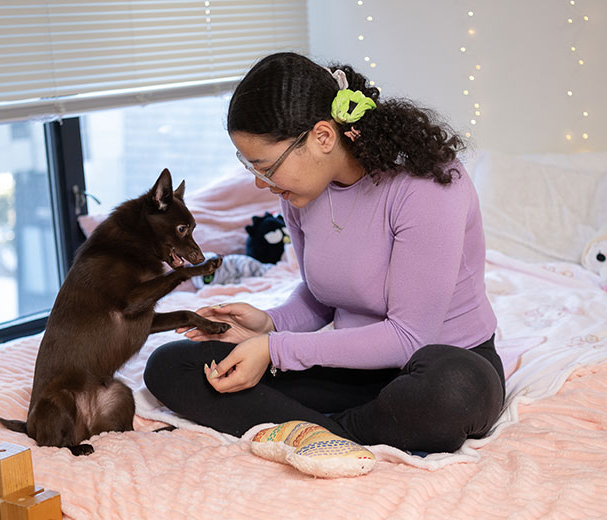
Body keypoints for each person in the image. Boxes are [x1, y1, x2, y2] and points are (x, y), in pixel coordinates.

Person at [143, 52, 504, 456]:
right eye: (250, 166)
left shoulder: (427, 185)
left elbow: (408, 338)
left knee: (453, 390)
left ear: (323, 137)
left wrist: (276, 349)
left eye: (266, 166)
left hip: (438, 366)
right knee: (172, 364)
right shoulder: (300, 193)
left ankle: (313, 430)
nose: (262, 183)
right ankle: (337, 435)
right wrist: (269, 324)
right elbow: (325, 296)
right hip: (354, 371)